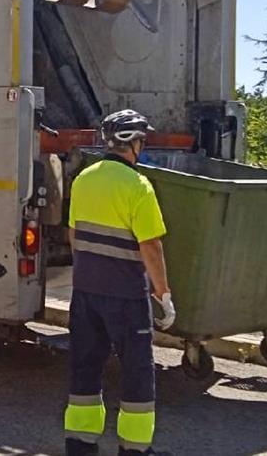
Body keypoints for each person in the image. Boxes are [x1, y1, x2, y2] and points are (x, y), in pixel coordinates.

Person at [64, 109, 175, 456]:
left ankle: (80, 445)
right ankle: (134, 449)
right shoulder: (138, 185)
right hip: (125, 296)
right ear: (133, 143)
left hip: (85, 293)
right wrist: (164, 294)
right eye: (142, 140)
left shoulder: (84, 178)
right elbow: (151, 246)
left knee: (85, 369)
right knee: (137, 374)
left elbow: (73, 233)